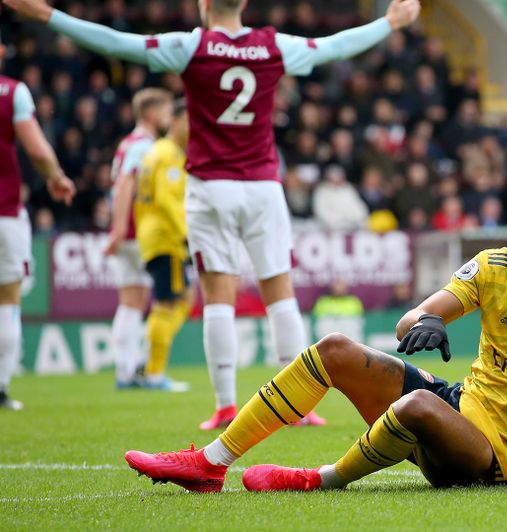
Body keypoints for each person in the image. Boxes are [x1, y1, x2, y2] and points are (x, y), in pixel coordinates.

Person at [123, 176, 507, 492]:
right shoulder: (496, 267)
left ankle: (320, 480)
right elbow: (413, 319)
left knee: (420, 405)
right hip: (461, 409)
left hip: (500, 461)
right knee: (335, 349)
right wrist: (426, 321)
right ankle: (211, 464)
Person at [3, 0, 422, 428]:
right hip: (262, 187)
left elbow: (115, 43)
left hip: (210, 187)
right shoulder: (272, 46)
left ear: (204, 4)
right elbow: (336, 46)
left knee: (218, 299)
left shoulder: (192, 47)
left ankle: (225, 405)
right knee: (280, 295)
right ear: (244, 3)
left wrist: (47, 15)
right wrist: (389, 22)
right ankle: (299, 407)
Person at [0, 32, 76, 410]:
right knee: (8, 300)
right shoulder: (12, 92)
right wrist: (56, 176)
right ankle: (0, 387)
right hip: (5, 211)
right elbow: (36, 148)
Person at [106, 88, 173, 389]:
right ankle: (131, 369)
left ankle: (127, 370)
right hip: (136, 232)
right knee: (136, 300)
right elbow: (125, 185)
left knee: (131, 301)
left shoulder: (128, 143)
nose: (170, 119)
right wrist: (120, 229)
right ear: (152, 114)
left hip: (130, 231)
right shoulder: (144, 146)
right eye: (167, 112)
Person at [133, 100, 193, 391]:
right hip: (166, 236)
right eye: (191, 122)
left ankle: (150, 360)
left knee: (183, 298)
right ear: (176, 121)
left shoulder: (156, 151)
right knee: (166, 303)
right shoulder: (169, 154)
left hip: (153, 233)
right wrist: (186, 234)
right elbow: (167, 200)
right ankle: (154, 371)